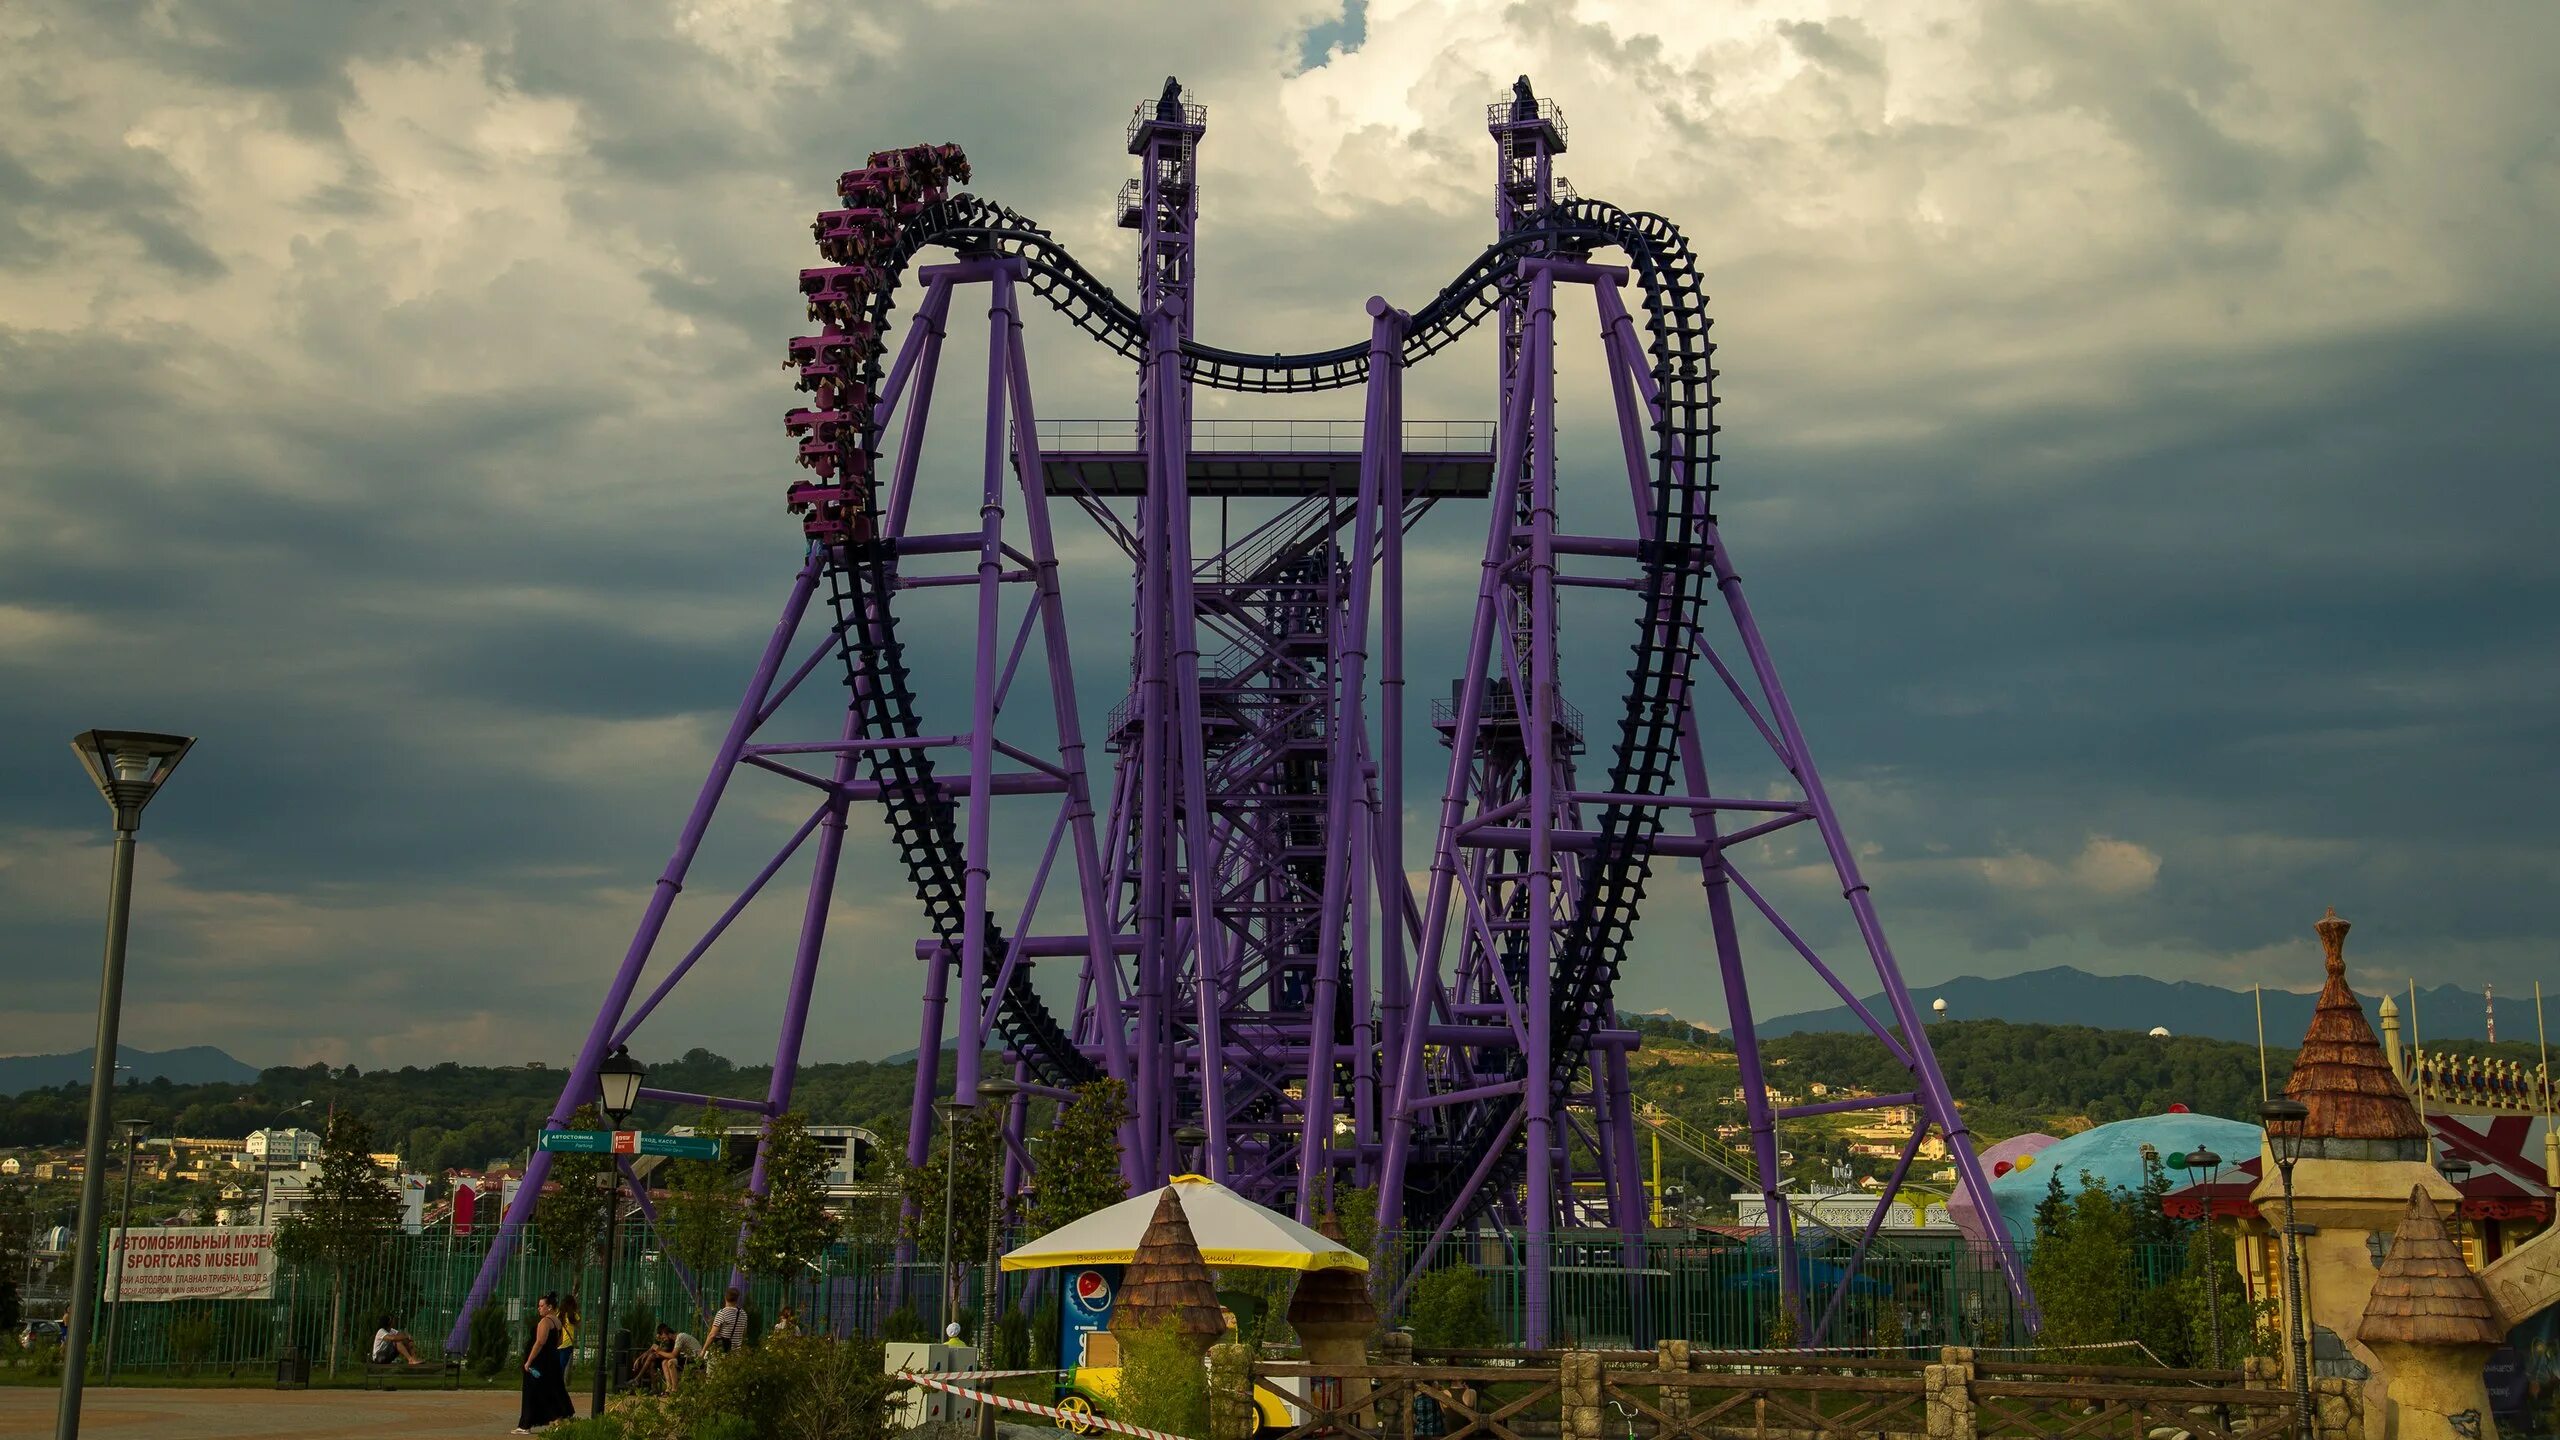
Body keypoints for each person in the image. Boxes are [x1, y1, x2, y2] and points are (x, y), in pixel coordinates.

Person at [513, 1293, 575, 1434]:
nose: (539, 1309)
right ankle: (528, 1423)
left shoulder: (545, 1322)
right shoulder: (557, 1322)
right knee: (548, 1389)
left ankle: (528, 1424)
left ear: (550, 1307)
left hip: (539, 1362)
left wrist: (529, 1361)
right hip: (551, 1361)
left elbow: (540, 1342)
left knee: (534, 1391)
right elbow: (558, 1342)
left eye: (542, 1306)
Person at [707, 1288, 748, 1359]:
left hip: (722, 1354)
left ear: (725, 1297)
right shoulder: (743, 1314)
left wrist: (703, 1351)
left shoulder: (722, 1313)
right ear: (737, 1299)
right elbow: (744, 1333)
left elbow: (712, 1335)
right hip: (737, 1354)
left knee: (712, 1369)